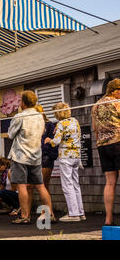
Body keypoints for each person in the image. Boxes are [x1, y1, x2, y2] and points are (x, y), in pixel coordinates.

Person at [8, 91, 55, 224]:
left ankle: (25, 215)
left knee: (21, 186)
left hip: (20, 155)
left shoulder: (19, 116)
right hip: (35, 155)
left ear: (23, 102)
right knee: (40, 186)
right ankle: (50, 213)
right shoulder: (40, 116)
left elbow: (11, 134)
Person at [45, 102, 85, 222]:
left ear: (58, 113)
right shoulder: (75, 121)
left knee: (67, 185)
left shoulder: (61, 124)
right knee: (75, 184)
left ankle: (73, 214)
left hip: (66, 156)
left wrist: (48, 140)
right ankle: (81, 212)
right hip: (76, 156)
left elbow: (56, 141)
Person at [91, 78, 120, 226]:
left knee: (110, 183)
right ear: (115, 91)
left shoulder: (95, 106)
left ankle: (108, 219)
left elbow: (95, 128)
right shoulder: (117, 103)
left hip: (103, 146)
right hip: (118, 141)